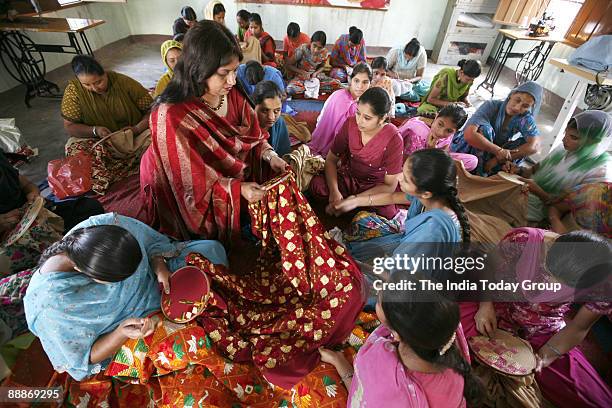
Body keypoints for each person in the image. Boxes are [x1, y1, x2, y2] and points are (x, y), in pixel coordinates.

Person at [23, 213, 227, 381]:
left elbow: (150, 244)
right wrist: (122, 333)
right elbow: (84, 358)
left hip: (158, 280)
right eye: (118, 280)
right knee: (190, 348)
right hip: (131, 328)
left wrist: (159, 266)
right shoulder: (50, 308)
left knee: (212, 252)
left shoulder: (104, 226)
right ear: (87, 273)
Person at [140, 21, 288, 243]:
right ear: (198, 68)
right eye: (223, 73)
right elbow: (191, 185)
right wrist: (237, 190)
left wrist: (270, 155)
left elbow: (254, 137)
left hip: (224, 176)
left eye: (235, 71)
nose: (232, 80)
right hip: (178, 176)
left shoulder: (232, 91)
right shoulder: (172, 116)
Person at [462, 228, 612, 407]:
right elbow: (487, 267)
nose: (551, 285)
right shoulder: (523, 240)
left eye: (565, 284)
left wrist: (547, 355)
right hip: (496, 302)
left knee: (590, 397)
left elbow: (579, 326)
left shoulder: (604, 281)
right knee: (453, 335)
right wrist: (485, 306)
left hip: (541, 326)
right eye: (549, 273)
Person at [319, 273, 483, 407]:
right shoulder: (446, 334)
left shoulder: (385, 377)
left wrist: (342, 366)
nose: (380, 291)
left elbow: (364, 399)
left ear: (396, 333)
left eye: (379, 298)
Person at [340, 149, 471, 265]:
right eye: (403, 170)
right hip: (407, 244)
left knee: (349, 267)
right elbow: (393, 197)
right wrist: (356, 201)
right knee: (362, 220)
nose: (398, 177)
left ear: (426, 193)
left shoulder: (431, 232)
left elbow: (406, 274)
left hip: (412, 271)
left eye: (406, 179)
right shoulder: (432, 196)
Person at [61, 55, 153, 195]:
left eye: (98, 82)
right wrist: (94, 130)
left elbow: (153, 110)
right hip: (100, 142)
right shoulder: (74, 91)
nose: (94, 88)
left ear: (105, 73)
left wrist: (137, 128)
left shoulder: (124, 82)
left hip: (134, 138)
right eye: (87, 85)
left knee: (162, 138)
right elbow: (70, 126)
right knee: (75, 151)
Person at [504, 110, 611, 226]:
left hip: (542, 218)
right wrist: (518, 170)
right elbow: (533, 170)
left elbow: (568, 216)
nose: (564, 140)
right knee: (493, 185)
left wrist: (539, 192)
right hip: (526, 197)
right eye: (566, 134)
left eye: (573, 137)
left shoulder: (599, 173)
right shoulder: (564, 149)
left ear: (594, 142)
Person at [310, 87, 403, 220]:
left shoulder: (393, 138)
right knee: (317, 186)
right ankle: (350, 210)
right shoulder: (350, 123)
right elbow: (331, 160)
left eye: (367, 118)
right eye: (358, 113)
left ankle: (350, 208)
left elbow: (389, 186)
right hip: (349, 178)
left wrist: (355, 199)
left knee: (386, 214)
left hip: (375, 187)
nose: (359, 121)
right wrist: (334, 192)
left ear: (382, 118)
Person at [450, 81, 542, 176]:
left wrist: (496, 159)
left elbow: (535, 146)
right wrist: (498, 151)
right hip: (470, 149)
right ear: (511, 95)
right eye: (517, 100)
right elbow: (469, 135)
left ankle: (492, 168)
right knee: (485, 129)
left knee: (525, 143)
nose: (517, 108)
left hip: (494, 154)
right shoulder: (491, 105)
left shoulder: (524, 117)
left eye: (525, 106)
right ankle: (479, 171)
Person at [308, 62, 371, 156]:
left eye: (365, 82)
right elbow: (339, 131)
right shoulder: (340, 97)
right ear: (350, 80)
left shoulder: (361, 100)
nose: (360, 86)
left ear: (370, 83)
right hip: (329, 143)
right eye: (356, 81)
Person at [399, 104, 477, 171]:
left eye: (449, 131)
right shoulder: (415, 126)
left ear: (455, 131)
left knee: (472, 161)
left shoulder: (449, 136)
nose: (441, 133)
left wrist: (433, 151)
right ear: (436, 116)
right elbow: (395, 140)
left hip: (430, 163)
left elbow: (444, 153)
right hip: (408, 164)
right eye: (440, 124)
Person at [285, 31, 341, 97]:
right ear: (310, 42)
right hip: (300, 77)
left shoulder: (324, 53)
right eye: (314, 46)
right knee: (290, 89)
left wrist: (316, 73)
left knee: (337, 84)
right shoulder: (303, 49)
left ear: (323, 47)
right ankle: (313, 89)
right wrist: (302, 72)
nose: (316, 50)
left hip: (314, 77)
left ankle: (311, 88)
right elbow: (288, 65)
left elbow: (322, 67)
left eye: (319, 48)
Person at [417, 59, 482, 115]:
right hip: (436, 105)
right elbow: (430, 99)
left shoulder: (469, 82)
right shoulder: (446, 76)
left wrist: (468, 104)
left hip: (452, 107)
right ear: (462, 73)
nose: (470, 82)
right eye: (468, 79)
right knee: (424, 110)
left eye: (472, 80)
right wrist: (452, 104)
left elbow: (464, 97)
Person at [253, 81, 291, 157]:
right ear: (254, 106)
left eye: (277, 111)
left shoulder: (279, 123)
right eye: (265, 110)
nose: (271, 117)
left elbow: (284, 154)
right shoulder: (245, 123)